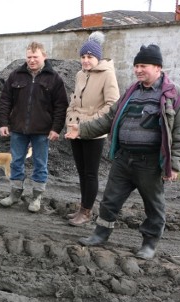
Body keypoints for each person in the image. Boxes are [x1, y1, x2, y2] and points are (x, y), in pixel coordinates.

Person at [65, 44, 180, 260]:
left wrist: (175, 164)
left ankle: (149, 244)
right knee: (109, 200)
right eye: (136, 66)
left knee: (154, 206)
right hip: (123, 158)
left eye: (142, 66)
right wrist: (82, 130)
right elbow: (109, 119)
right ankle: (100, 234)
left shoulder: (175, 96)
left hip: (151, 163)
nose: (137, 70)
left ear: (157, 67)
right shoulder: (131, 92)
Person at [0, 41, 68, 212]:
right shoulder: (16, 76)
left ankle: (36, 197)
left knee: (40, 163)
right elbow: (5, 100)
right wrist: (4, 123)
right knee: (16, 162)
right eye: (29, 57)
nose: (31, 60)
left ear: (44, 56)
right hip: (18, 128)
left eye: (35, 57)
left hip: (42, 130)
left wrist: (56, 128)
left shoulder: (54, 79)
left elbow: (61, 106)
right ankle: (15, 194)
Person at [65, 32, 120, 226]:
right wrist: (70, 118)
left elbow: (112, 105)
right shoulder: (80, 74)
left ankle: (86, 212)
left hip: (94, 132)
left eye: (90, 57)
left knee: (90, 173)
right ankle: (82, 208)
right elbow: (74, 100)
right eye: (83, 56)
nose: (86, 60)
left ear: (98, 57)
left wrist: (88, 123)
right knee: (81, 172)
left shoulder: (108, 74)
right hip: (75, 130)